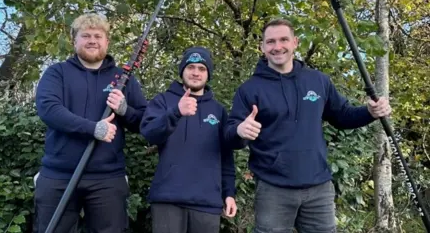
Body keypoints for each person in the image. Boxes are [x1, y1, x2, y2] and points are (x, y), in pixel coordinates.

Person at [224, 19, 392, 233]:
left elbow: (343, 117)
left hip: (318, 188)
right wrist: (240, 131)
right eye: (271, 41)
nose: (277, 47)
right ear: (263, 47)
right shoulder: (249, 90)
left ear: (295, 42)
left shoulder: (317, 81)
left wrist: (370, 112)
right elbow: (230, 135)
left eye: (284, 39)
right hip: (273, 188)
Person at [34, 13, 147, 233]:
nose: (92, 40)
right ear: (74, 41)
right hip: (59, 175)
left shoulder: (123, 79)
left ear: (107, 41)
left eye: (98, 35)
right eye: (85, 35)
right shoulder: (57, 73)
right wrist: (92, 129)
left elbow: (144, 122)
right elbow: (49, 110)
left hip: (107, 178)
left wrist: (125, 110)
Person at [139, 46, 238, 233]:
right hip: (168, 200)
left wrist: (229, 193)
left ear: (208, 74)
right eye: (190, 67)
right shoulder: (163, 101)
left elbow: (226, 157)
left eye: (202, 68)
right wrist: (176, 112)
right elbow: (149, 133)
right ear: (182, 70)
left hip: (207, 202)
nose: (196, 73)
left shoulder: (218, 111)